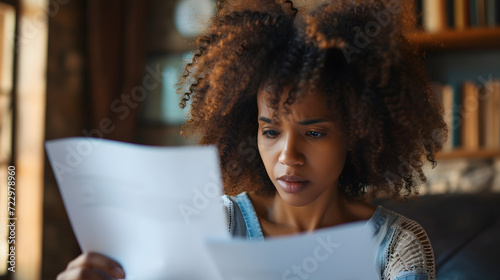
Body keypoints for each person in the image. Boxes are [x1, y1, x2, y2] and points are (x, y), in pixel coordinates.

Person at [57, 0, 446, 279]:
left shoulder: (396, 248)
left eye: (314, 132)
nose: (288, 156)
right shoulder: (217, 224)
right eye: (271, 131)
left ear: (358, 133)